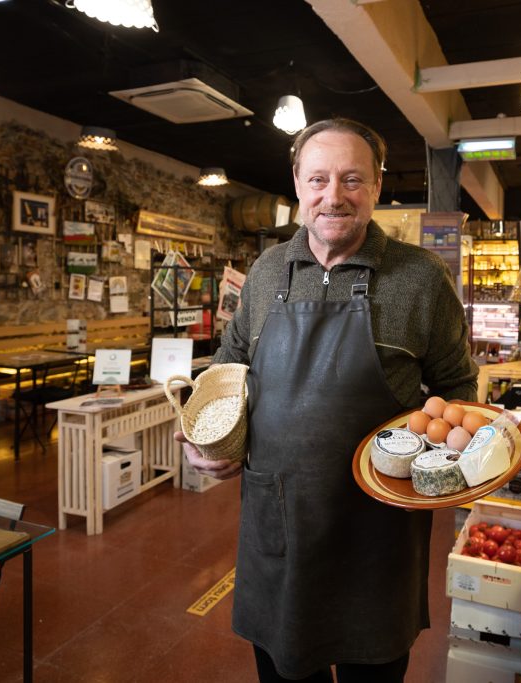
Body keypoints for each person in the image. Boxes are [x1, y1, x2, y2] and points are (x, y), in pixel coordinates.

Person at [175, 118, 477, 682]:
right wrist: (209, 437)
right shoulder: (265, 273)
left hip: (379, 532)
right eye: (318, 179)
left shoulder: (420, 278)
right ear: (297, 183)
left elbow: (458, 387)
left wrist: (443, 466)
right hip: (280, 522)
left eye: (351, 179)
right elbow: (229, 365)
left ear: (378, 185)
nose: (332, 196)